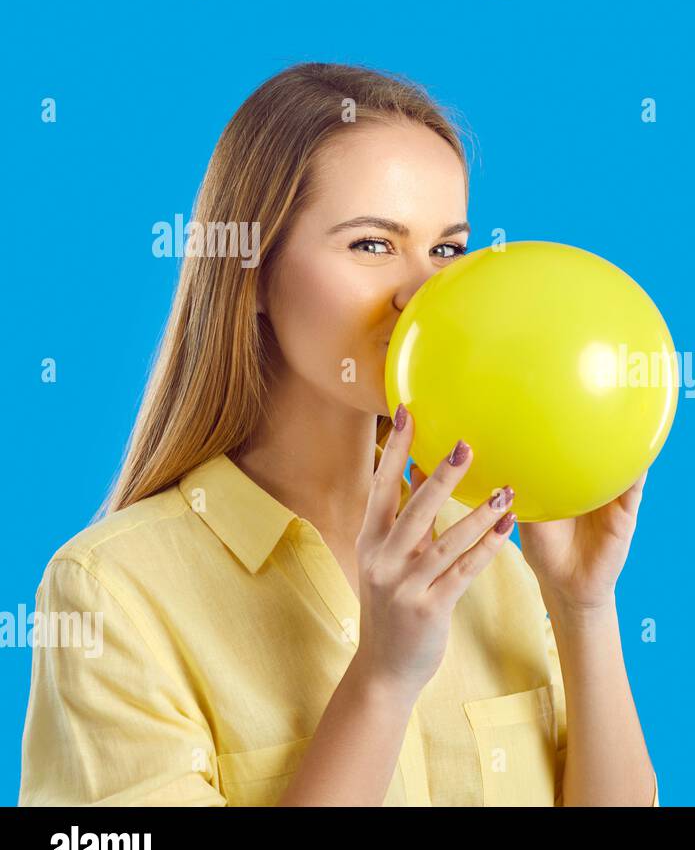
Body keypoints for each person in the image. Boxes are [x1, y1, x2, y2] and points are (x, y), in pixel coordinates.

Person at [18, 62, 659, 806]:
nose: (425, 293)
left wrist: (584, 607)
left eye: (447, 250)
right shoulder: (112, 596)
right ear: (250, 275)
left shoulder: (488, 555)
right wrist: (383, 679)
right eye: (372, 245)